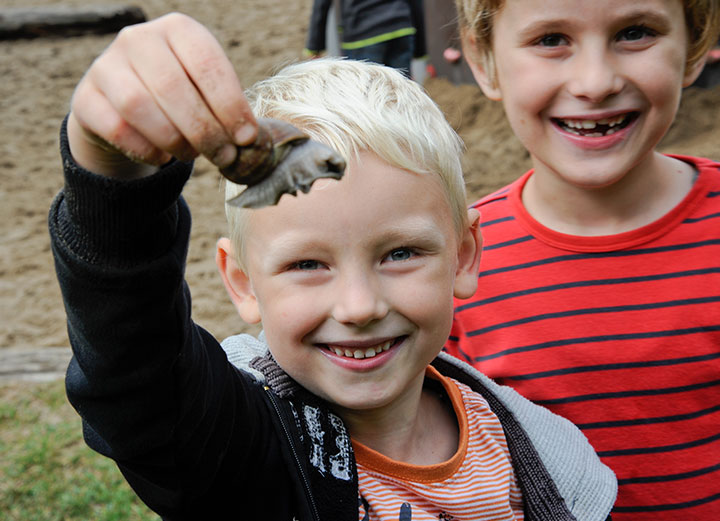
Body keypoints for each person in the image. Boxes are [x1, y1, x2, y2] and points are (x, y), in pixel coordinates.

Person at [49, 13, 617, 520]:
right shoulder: (238, 443)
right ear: (242, 283)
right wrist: (111, 176)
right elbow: (136, 372)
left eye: (400, 254)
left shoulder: (545, 453)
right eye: (306, 264)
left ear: (463, 255)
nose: (359, 306)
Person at [444, 0, 720, 519]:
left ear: (695, 44)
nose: (595, 82)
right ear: (483, 60)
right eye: (551, 39)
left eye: (635, 33)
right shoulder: (455, 263)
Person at [304, 0, 426, 76]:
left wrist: (314, 47)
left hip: (361, 35)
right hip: (400, 28)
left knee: (367, 102)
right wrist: (420, 50)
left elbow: (321, 5)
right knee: (402, 98)